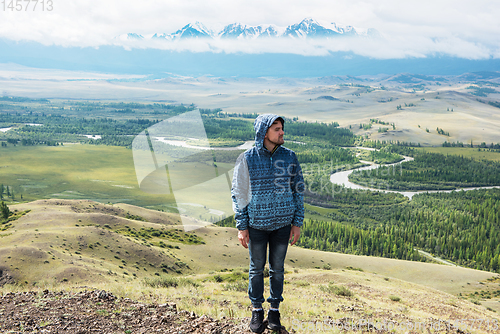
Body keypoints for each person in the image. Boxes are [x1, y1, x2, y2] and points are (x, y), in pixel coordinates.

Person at [231, 114, 304, 333]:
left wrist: (297, 222)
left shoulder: (290, 157)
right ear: (264, 132)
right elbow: (238, 194)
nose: (282, 132)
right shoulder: (247, 159)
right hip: (257, 225)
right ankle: (256, 310)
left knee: (278, 270)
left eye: (282, 128)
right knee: (256, 269)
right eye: (277, 129)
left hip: (283, 224)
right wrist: (242, 226)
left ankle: (274, 311)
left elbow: (298, 190)